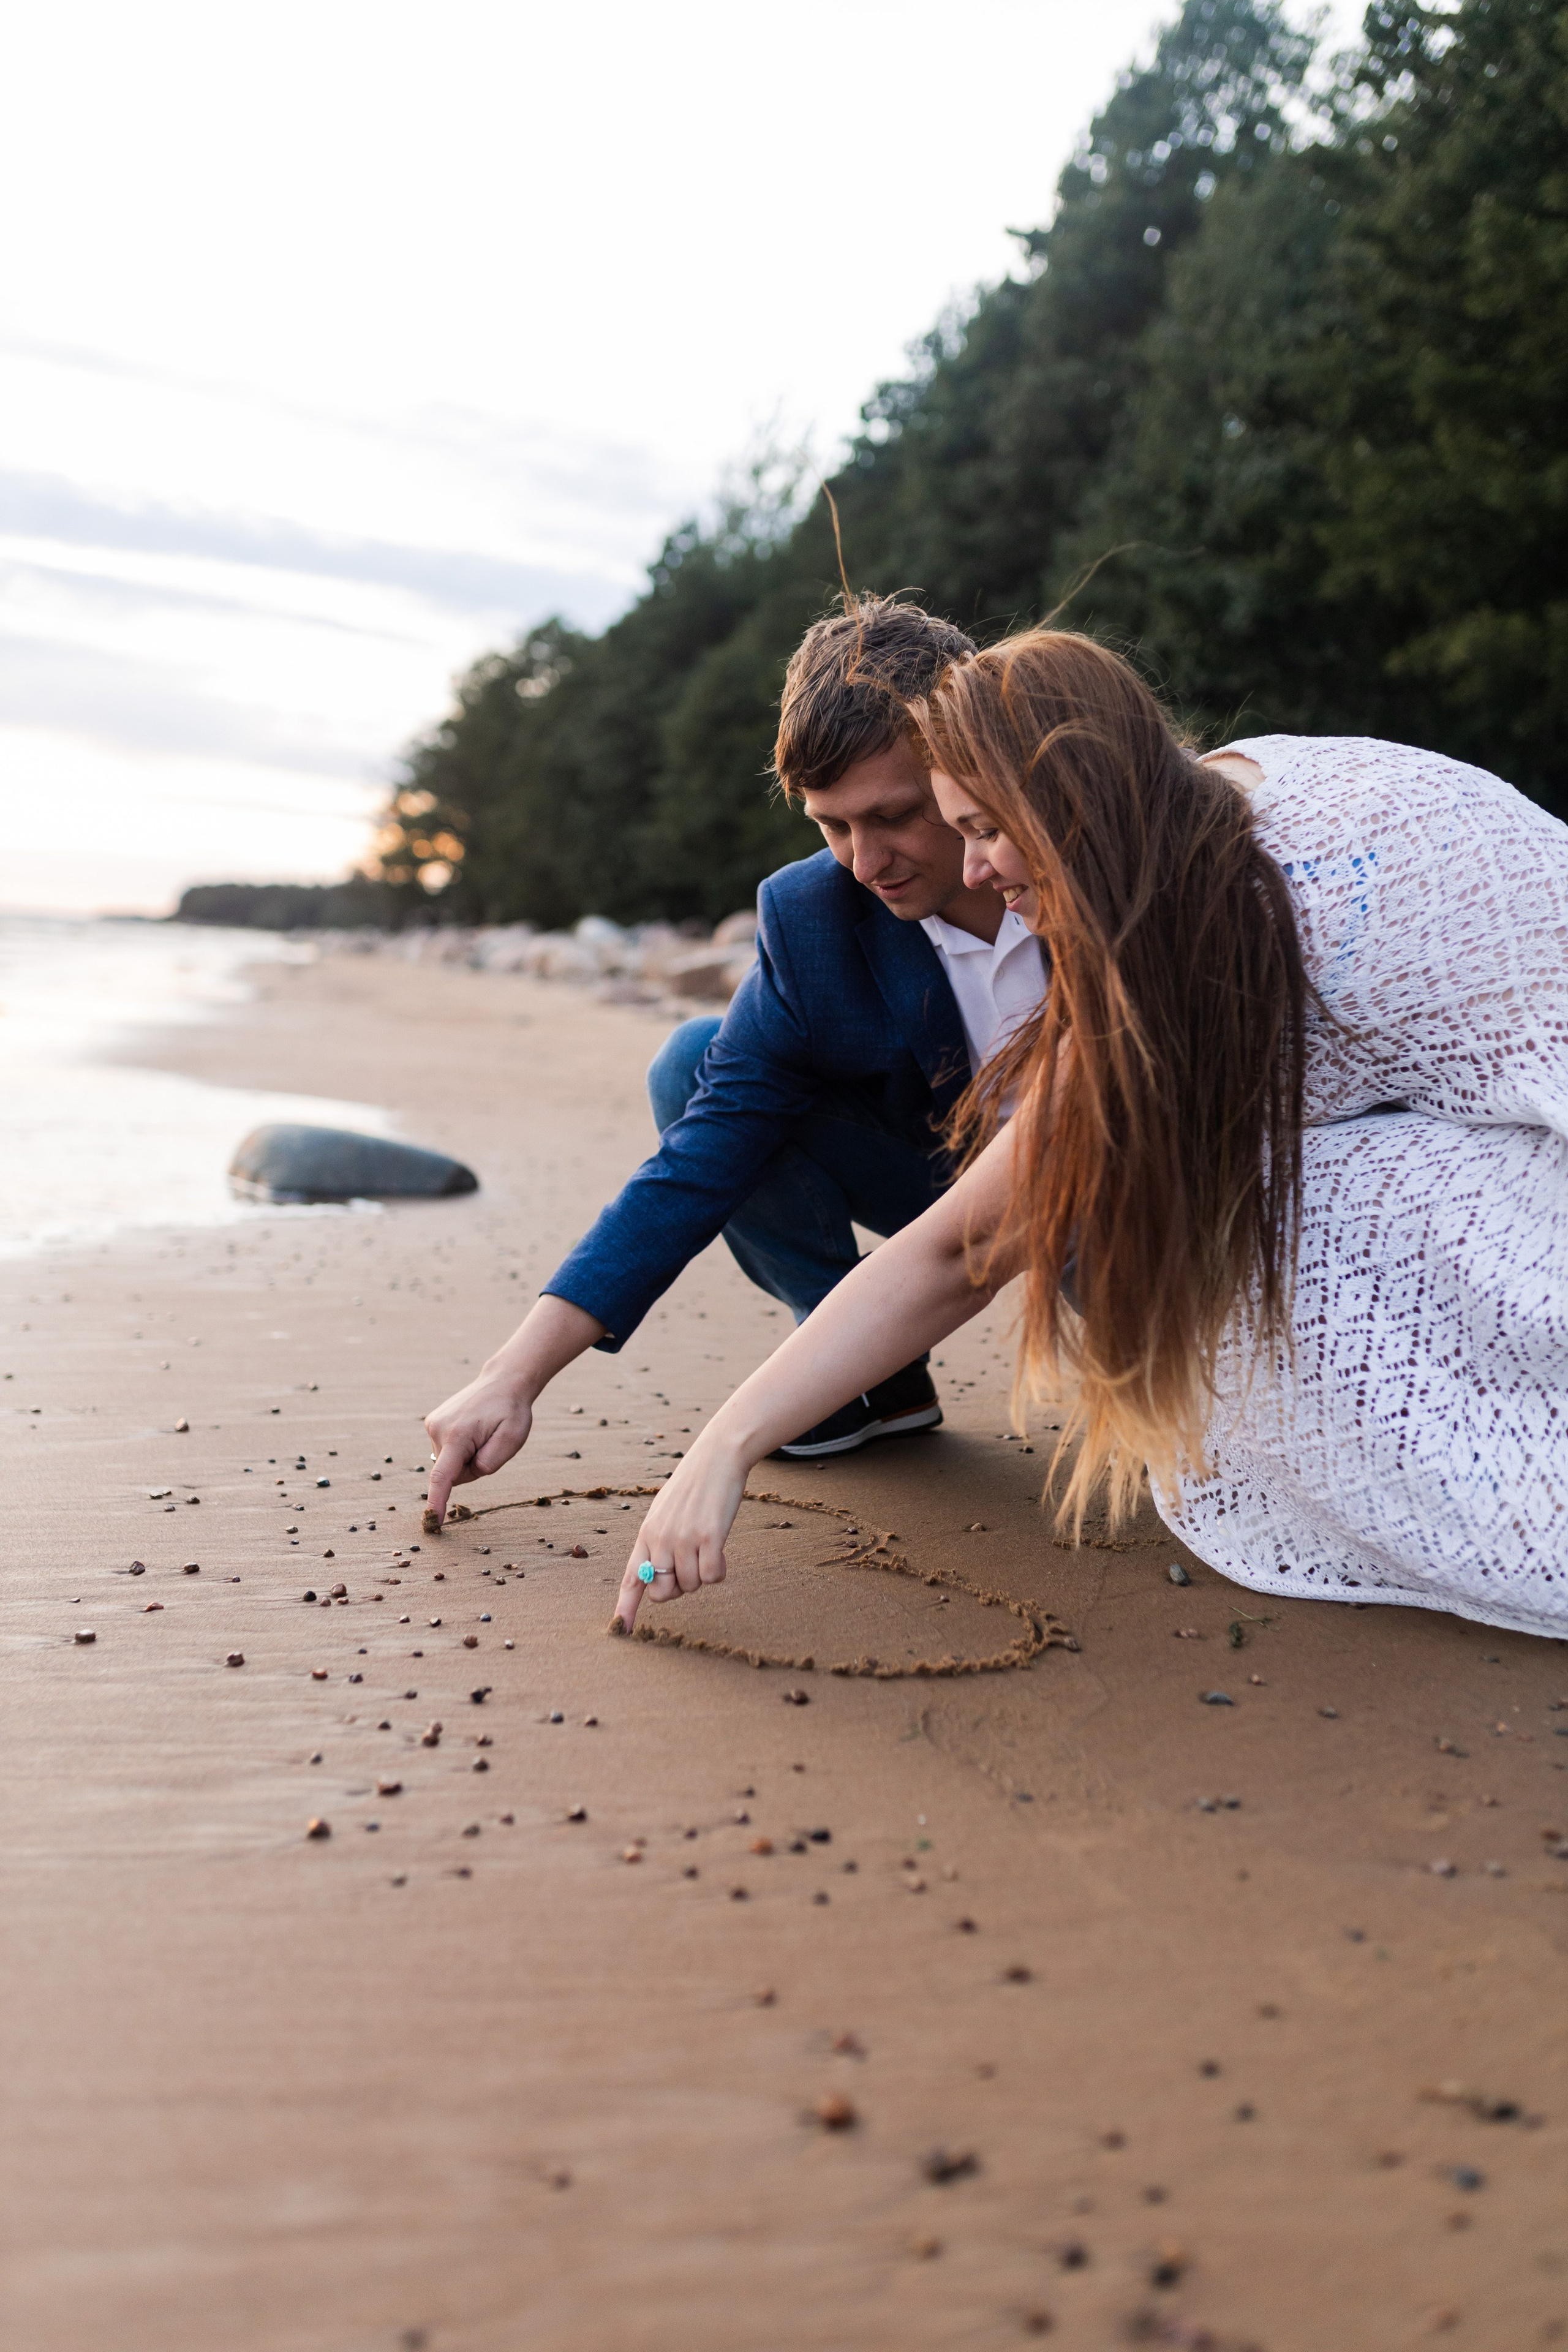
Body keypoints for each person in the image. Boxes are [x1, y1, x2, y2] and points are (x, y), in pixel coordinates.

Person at [611, 629, 1568, 1643]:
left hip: (1525, 1155)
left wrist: (724, 1447)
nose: (976, 865)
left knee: (1291, 1206)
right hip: (1503, 1123)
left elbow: (966, 1249)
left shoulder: (1210, 917)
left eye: (982, 827)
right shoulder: (1227, 795)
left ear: (1068, 797)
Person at [423, 598, 1049, 1520]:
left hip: (1121, 1196)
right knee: (694, 1066)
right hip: (946, 1191)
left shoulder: (1084, 861)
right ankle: (867, 1372)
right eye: (831, 825)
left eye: (895, 815)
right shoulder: (813, 915)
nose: (865, 862)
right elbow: (706, 1149)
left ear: (971, 765)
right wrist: (510, 1375)